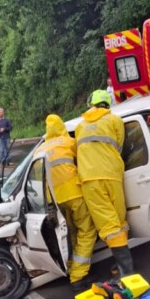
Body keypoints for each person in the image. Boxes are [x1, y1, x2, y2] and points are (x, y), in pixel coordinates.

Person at [75, 89, 134, 279]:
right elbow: (119, 146)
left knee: (109, 225)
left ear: (91, 103)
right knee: (119, 219)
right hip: (112, 174)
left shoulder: (80, 126)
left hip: (90, 180)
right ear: (108, 103)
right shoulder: (115, 120)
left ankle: (126, 272)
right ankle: (122, 265)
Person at [38, 114, 98, 284]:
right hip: (75, 193)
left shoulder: (40, 149)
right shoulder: (69, 142)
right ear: (61, 127)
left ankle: (72, 266)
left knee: (72, 232)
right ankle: (78, 274)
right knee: (87, 231)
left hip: (56, 201)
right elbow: (85, 160)